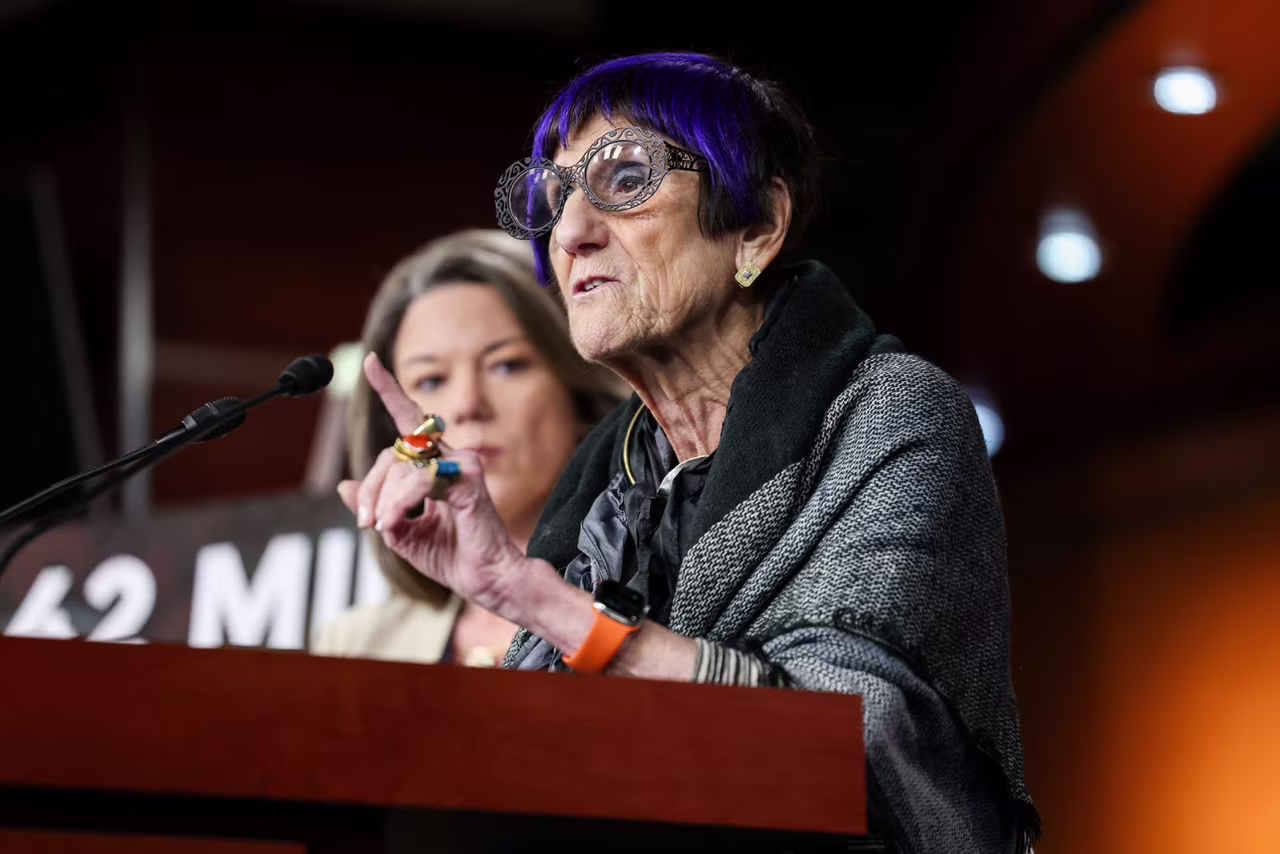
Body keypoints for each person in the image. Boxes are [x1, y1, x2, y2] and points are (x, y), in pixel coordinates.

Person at [337, 54, 1039, 851]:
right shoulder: (603, 485)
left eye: (625, 178)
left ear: (757, 226)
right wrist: (496, 586)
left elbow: (849, 741)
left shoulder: (890, 413)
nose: (571, 233)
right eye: (556, 199)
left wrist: (539, 602)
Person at [314, 229, 623, 666]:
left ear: (580, 393)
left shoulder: (663, 599)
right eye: (431, 380)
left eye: (507, 365)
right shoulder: (355, 647)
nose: (467, 405)